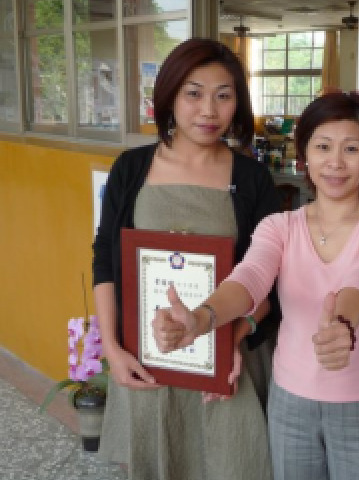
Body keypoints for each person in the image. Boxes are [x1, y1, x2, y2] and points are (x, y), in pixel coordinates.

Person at [153, 91, 359, 480]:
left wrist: (341, 323)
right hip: (290, 403)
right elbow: (250, 277)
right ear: (304, 153)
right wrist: (203, 318)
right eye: (323, 146)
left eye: (351, 148)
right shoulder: (279, 226)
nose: (336, 162)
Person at [91, 38, 281, 480]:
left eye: (223, 95)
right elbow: (105, 259)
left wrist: (233, 341)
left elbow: (269, 280)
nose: (208, 110)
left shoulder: (251, 178)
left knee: (232, 463)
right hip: (148, 355)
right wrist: (113, 350)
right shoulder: (131, 168)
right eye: (194, 93)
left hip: (227, 359)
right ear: (170, 96)